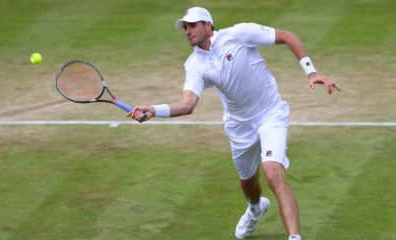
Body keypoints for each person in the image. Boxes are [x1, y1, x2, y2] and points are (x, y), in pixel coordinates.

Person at [129, 7, 340, 240]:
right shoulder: (195, 64)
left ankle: (294, 237)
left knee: (272, 173)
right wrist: (153, 110)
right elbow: (188, 104)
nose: (188, 31)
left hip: (271, 113)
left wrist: (311, 73)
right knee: (248, 184)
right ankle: (255, 208)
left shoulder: (240, 33)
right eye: (185, 27)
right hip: (239, 127)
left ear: (208, 25)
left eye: (193, 25)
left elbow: (287, 36)